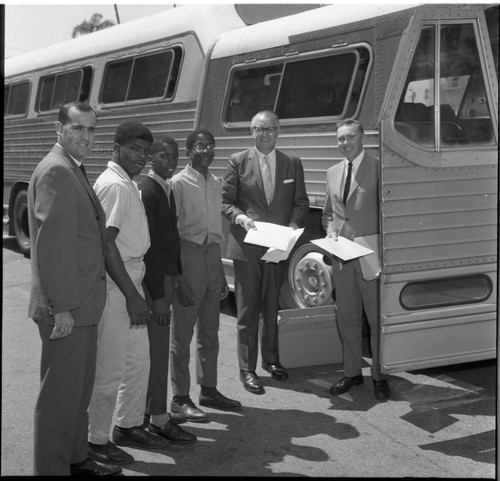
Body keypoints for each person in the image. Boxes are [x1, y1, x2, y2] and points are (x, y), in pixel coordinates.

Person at [27, 101, 121, 476]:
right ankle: (51, 469)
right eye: (78, 129)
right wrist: (62, 307)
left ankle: (75, 459)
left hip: (82, 305)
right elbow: (53, 247)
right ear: (59, 129)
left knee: (77, 392)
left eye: (92, 130)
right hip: (67, 308)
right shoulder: (56, 171)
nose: (86, 137)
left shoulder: (72, 168)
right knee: (59, 398)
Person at [87, 121, 169, 467]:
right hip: (117, 286)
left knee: (138, 362)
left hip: (131, 281)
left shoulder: (128, 184)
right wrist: (132, 295)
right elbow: (105, 245)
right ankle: (95, 441)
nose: (141, 156)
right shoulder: (115, 187)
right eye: (134, 148)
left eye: (145, 151)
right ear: (116, 149)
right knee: (109, 369)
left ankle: (129, 424)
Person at [221, 111, 309, 395]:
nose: (265, 134)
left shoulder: (292, 163)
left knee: (272, 305)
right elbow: (226, 201)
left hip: (277, 247)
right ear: (251, 131)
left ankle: (271, 360)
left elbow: (300, 202)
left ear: (278, 131)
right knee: (247, 309)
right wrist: (240, 218)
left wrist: (294, 225)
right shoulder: (237, 161)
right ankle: (247, 369)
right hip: (247, 246)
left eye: (270, 129)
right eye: (259, 129)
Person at [169, 128, 241, 422]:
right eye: (200, 146)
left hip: (212, 257)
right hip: (188, 256)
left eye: (210, 146)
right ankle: (180, 397)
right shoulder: (177, 184)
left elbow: (217, 232)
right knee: (182, 334)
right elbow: (170, 233)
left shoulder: (216, 182)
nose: (207, 151)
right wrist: (178, 276)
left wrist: (221, 275)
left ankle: (208, 389)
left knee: (210, 331)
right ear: (188, 152)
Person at [322, 119, 391, 401]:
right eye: (340, 139)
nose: (345, 143)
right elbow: (329, 214)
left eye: (350, 137)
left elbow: (389, 211)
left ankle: (379, 375)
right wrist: (329, 231)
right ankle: (352, 373)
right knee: (348, 319)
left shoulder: (379, 168)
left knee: (376, 321)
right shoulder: (332, 172)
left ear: (363, 138)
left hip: (371, 258)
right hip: (342, 259)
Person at [139, 136, 197, 444]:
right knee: (157, 353)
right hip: (155, 283)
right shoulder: (149, 191)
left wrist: (179, 278)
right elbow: (150, 248)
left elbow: (171, 239)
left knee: (155, 352)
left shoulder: (166, 187)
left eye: (174, 156)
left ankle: (149, 412)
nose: (171, 161)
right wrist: (160, 297)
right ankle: (158, 419)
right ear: (151, 158)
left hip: (166, 279)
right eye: (164, 156)